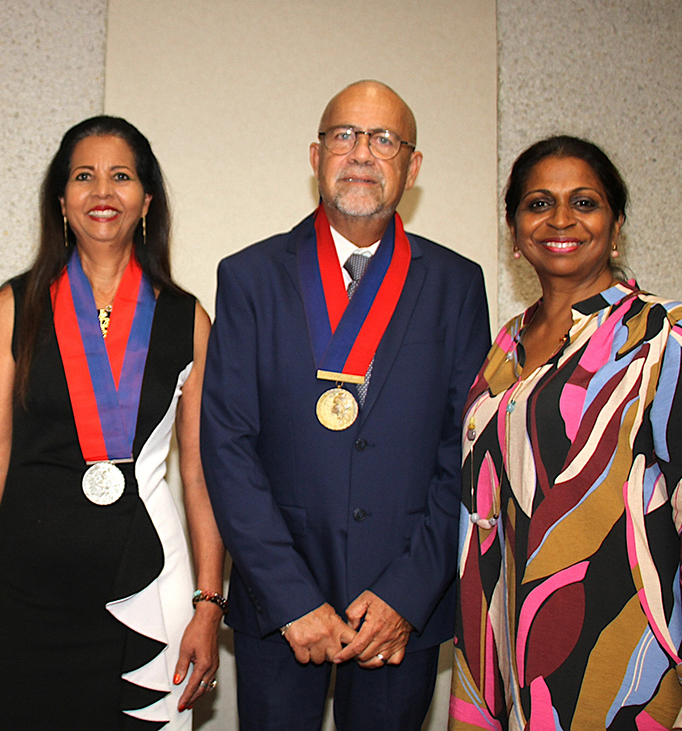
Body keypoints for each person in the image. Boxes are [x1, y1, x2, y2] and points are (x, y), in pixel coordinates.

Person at [449, 136, 682, 730]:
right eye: (537, 203)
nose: (560, 220)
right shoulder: (503, 351)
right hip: (514, 667)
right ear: (513, 230)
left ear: (616, 221)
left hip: (633, 665)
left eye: (584, 202)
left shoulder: (666, 339)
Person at [200, 80, 491, 729]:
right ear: (315, 155)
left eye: (384, 139)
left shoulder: (455, 285)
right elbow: (227, 445)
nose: (362, 153)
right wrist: (290, 597)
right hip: (279, 603)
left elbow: (469, 451)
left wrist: (407, 595)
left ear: (412, 167)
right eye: (345, 135)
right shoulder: (248, 277)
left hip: (399, 608)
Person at [0, 115, 225, 730]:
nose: (103, 192)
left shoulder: (187, 319)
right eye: (84, 177)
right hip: (22, 593)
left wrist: (209, 603)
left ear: (146, 200)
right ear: (61, 199)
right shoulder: (15, 306)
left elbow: (202, 475)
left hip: (147, 589)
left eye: (121, 176)